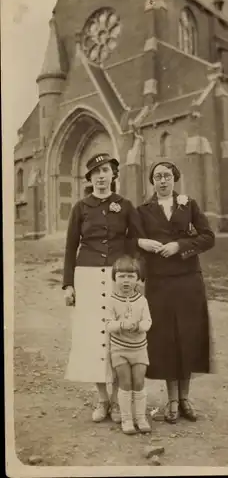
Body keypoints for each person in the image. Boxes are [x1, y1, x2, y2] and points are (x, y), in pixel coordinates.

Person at [62, 152, 145, 424]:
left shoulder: (125, 205)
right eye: (95, 172)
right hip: (86, 275)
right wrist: (68, 284)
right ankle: (102, 400)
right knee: (92, 340)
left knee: (119, 339)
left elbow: (135, 239)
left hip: (116, 277)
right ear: (90, 178)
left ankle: (119, 401)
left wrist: (134, 273)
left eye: (105, 171)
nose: (100, 176)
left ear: (113, 175)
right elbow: (70, 246)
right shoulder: (80, 208)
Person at [137, 158, 215, 424]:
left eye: (167, 176)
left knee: (188, 336)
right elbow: (134, 242)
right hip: (160, 283)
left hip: (188, 280)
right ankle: (171, 400)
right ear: (152, 181)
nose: (162, 180)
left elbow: (207, 237)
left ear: (174, 179)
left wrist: (180, 246)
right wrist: (143, 244)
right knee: (166, 339)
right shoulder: (143, 210)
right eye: (157, 176)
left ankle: (185, 398)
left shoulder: (188, 204)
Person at [105, 255, 152, 435]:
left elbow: (148, 320)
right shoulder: (111, 300)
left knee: (139, 382)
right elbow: (108, 324)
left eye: (131, 276)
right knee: (125, 382)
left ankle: (140, 417)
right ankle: (126, 419)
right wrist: (121, 325)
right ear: (115, 278)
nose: (126, 281)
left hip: (139, 348)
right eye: (121, 276)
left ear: (138, 279)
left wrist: (141, 327)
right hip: (120, 349)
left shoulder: (142, 300)